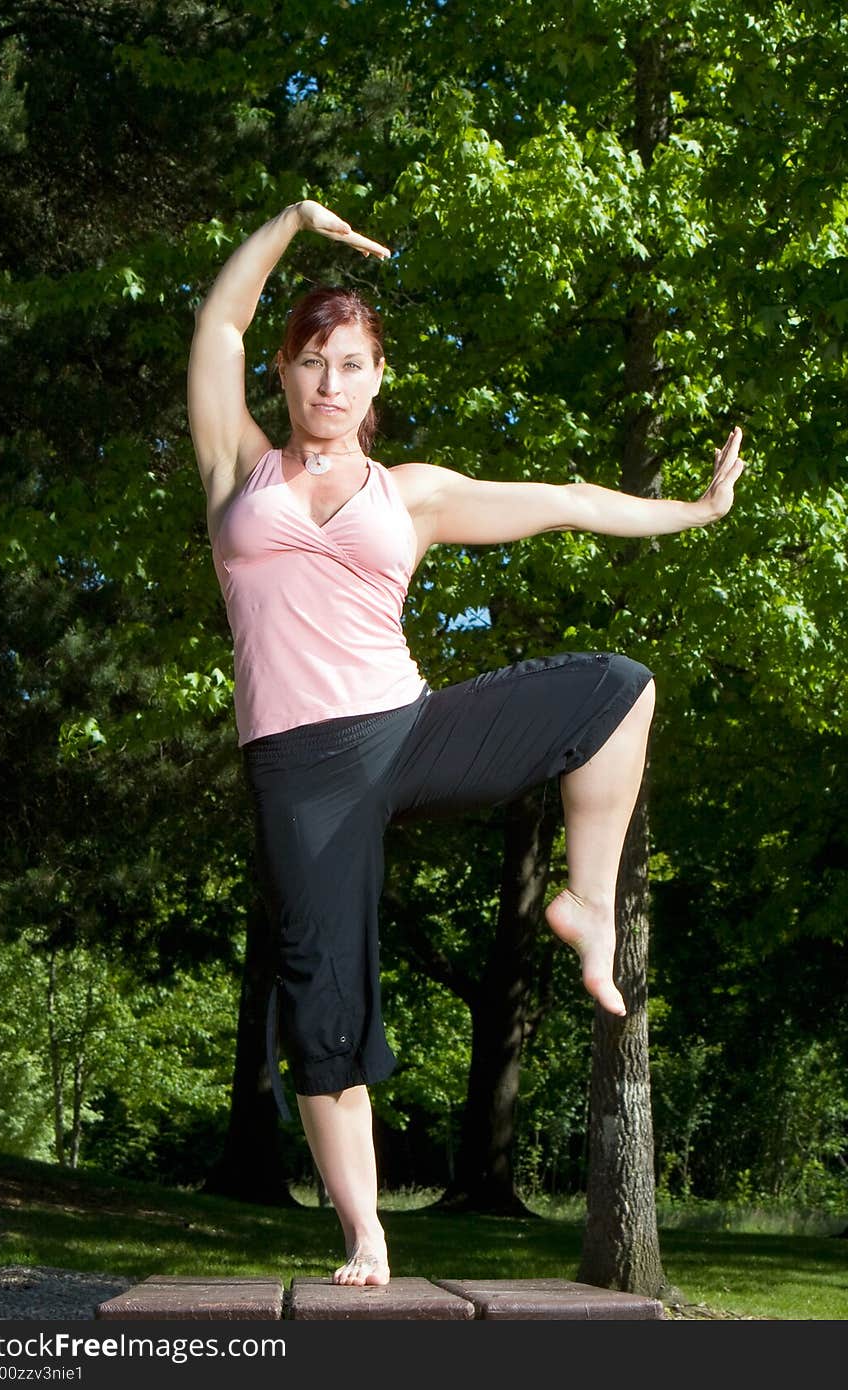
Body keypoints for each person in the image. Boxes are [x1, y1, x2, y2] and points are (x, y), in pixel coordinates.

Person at [187, 199, 745, 1288]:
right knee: (325, 1007)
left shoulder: (412, 495)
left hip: (408, 728)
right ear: (286, 375)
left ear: (377, 377)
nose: (328, 384)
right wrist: (294, 220)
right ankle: (364, 1230)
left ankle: (582, 904)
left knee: (617, 690)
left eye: (350, 364)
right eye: (310, 363)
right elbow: (217, 329)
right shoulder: (237, 470)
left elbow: (567, 500)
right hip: (303, 772)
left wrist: (691, 511)